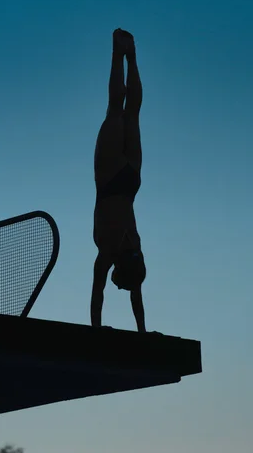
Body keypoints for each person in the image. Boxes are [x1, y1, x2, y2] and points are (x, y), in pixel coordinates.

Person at [91, 28, 147, 333]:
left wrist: (141, 329)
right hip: (112, 182)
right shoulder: (109, 254)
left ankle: (132, 55)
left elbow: (136, 297)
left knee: (131, 113)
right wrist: (96, 328)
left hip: (128, 184)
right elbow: (97, 293)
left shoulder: (135, 253)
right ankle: (118, 51)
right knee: (117, 110)